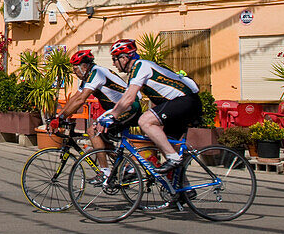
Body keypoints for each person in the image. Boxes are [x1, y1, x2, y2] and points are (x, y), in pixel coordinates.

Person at [97, 39, 202, 173]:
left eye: (114, 59)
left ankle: (174, 158)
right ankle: (183, 189)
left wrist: (112, 115)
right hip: (180, 104)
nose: (113, 63)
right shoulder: (136, 71)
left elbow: (129, 99)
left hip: (185, 101)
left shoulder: (142, 66)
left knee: (145, 121)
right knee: (165, 145)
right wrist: (109, 115)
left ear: (124, 58)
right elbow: (128, 100)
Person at [48, 49, 142, 180]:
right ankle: (128, 167)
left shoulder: (96, 73)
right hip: (119, 109)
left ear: (84, 66)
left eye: (75, 69)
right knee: (101, 139)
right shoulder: (88, 77)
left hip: (130, 107)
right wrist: (59, 117)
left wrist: (62, 118)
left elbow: (81, 100)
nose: (74, 72)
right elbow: (75, 97)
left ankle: (105, 172)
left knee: (92, 131)